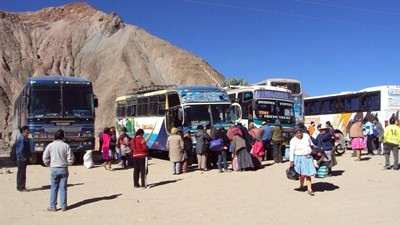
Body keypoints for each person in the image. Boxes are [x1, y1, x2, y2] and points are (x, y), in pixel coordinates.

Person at [42, 129, 74, 212]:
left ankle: (53, 206)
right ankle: (63, 206)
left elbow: (45, 157)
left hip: (54, 168)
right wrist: (68, 164)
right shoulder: (66, 146)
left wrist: (48, 164)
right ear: (63, 137)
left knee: (54, 187)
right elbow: (70, 158)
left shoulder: (50, 145)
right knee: (63, 188)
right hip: (63, 168)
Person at [289, 125, 316, 196]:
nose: (299, 134)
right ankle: (301, 186)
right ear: (294, 134)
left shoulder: (306, 136)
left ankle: (309, 189)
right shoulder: (293, 140)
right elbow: (292, 151)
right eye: (297, 133)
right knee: (301, 174)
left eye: (300, 132)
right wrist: (291, 161)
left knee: (308, 174)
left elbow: (311, 144)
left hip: (308, 158)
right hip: (299, 158)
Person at [15, 125, 31, 192]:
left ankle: (20, 187)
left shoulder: (24, 138)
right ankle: (21, 188)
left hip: (22, 158)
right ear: (23, 131)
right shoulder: (22, 139)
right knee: (21, 173)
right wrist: (24, 158)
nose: (28, 132)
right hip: (22, 159)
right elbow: (21, 150)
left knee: (22, 173)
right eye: (27, 130)